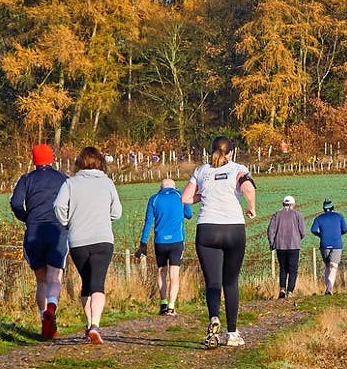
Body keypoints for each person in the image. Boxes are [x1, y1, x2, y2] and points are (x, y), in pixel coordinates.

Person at [183, 136, 259, 348]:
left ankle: (214, 318)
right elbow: (248, 187)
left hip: (207, 229)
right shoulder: (238, 168)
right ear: (232, 152)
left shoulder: (201, 171)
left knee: (213, 283)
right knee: (230, 282)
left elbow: (186, 198)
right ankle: (232, 333)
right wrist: (251, 206)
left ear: (211, 151)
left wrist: (204, 194)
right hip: (233, 228)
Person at [54, 146, 123, 345]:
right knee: (98, 283)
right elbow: (117, 212)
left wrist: (67, 221)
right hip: (102, 239)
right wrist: (104, 218)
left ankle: (89, 323)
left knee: (86, 283)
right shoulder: (107, 182)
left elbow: (58, 206)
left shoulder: (70, 183)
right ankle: (95, 325)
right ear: (100, 161)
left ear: (79, 162)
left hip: (78, 240)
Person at [10, 144, 69, 340]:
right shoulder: (62, 179)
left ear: (34, 160)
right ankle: (52, 307)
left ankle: (44, 317)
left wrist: (26, 217)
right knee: (54, 278)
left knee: (41, 280)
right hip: (56, 229)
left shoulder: (26, 180)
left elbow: (16, 203)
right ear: (52, 158)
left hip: (34, 231)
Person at [135, 177, 192, 316]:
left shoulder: (154, 199)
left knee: (161, 271)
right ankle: (172, 307)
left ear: (161, 188)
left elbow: (148, 222)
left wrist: (143, 242)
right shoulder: (180, 195)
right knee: (174, 274)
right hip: (177, 241)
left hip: (160, 242)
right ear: (174, 186)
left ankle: (163, 304)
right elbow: (189, 215)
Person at [266, 195, 307, 299]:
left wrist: (272, 243)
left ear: (283, 204)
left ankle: (282, 288)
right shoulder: (298, 215)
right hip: (294, 246)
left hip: (280, 246)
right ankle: (290, 291)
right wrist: (297, 238)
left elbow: (271, 230)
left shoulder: (276, 215)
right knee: (293, 269)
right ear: (293, 204)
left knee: (283, 268)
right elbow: (303, 231)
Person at [310, 199, 347, 295]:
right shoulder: (339, 217)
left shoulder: (319, 218)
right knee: (334, 266)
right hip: (337, 244)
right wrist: (338, 234)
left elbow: (313, 229)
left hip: (324, 244)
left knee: (327, 266)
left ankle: (328, 288)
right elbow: (345, 229)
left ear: (323, 208)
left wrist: (321, 235)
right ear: (333, 207)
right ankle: (329, 288)